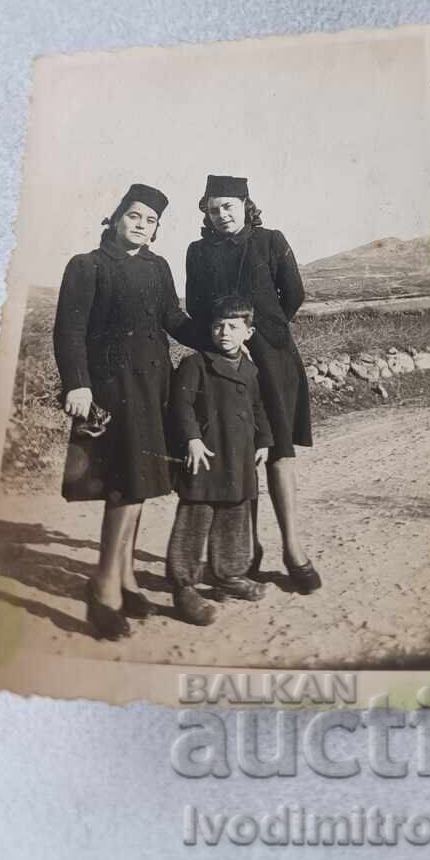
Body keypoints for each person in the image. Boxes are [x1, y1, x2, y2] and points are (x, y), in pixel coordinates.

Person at [53, 183, 197, 640]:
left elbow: (172, 320)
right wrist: (77, 382)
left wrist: (218, 336)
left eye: (151, 220)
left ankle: (127, 576)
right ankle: (103, 590)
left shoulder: (158, 268)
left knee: (141, 484)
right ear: (116, 218)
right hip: (110, 390)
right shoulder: (87, 267)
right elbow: (69, 330)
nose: (141, 225)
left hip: (154, 387)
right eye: (134, 216)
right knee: (123, 486)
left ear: (156, 231)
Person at [185, 174, 321, 593]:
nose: (221, 214)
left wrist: (263, 332)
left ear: (246, 204)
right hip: (225, 363)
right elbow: (194, 307)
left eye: (228, 206)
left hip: (273, 358)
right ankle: (248, 553)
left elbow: (293, 294)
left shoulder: (271, 241)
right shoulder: (198, 251)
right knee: (238, 450)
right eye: (213, 208)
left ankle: (293, 551)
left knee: (278, 448)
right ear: (206, 213)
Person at [166, 295, 272, 625]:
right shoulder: (195, 364)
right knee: (195, 518)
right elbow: (181, 407)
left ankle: (228, 577)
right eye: (217, 326)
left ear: (248, 333)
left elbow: (258, 410)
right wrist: (193, 440)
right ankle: (183, 585)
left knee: (236, 514)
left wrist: (264, 441)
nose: (224, 332)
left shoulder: (251, 370)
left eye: (233, 326)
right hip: (206, 454)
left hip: (238, 455)